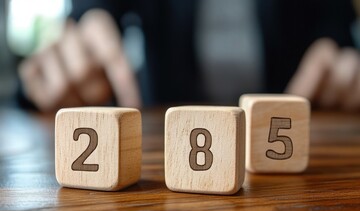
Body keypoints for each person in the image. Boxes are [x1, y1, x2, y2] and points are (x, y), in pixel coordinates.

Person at [17, 0, 360, 111]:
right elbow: (93, 14)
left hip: (298, 144)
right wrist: (55, 73)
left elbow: (338, 31)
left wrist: (345, 64)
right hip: (164, 147)